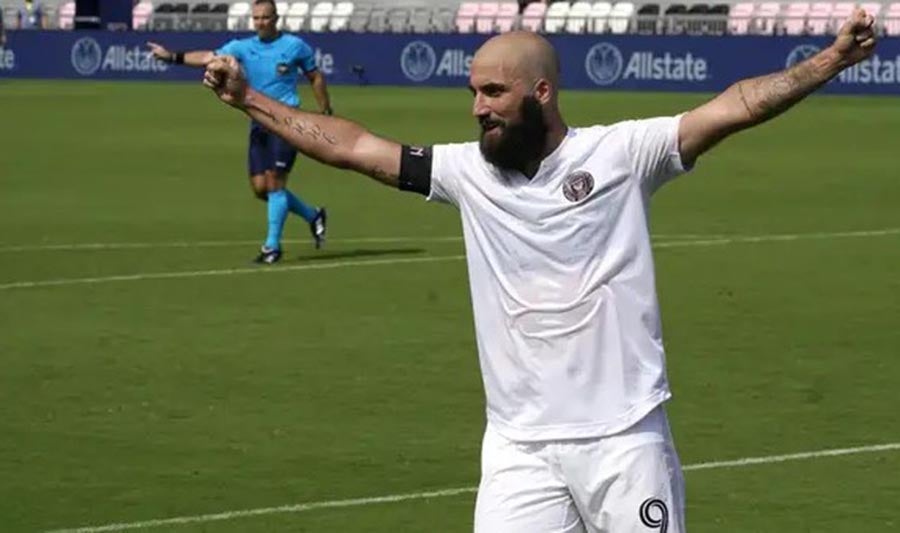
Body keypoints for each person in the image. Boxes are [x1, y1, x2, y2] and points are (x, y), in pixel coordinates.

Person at [204, 10, 876, 532]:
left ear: (542, 91)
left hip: (624, 442)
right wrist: (249, 102)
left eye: (494, 92)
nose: (478, 107)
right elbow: (354, 147)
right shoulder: (465, 171)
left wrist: (831, 59)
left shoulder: (622, 154)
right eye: (473, 93)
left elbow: (738, 104)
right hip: (518, 451)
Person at [148, 0, 332, 264]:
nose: (260, 23)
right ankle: (313, 216)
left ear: (276, 18)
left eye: (265, 18)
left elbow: (314, 76)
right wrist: (171, 57)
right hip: (258, 122)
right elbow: (208, 58)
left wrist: (325, 111)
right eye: (256, 18)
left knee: (276, 183)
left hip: (288, 121)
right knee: (260, 188)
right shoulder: (241, 47)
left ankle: (272, 247)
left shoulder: (294, 46)